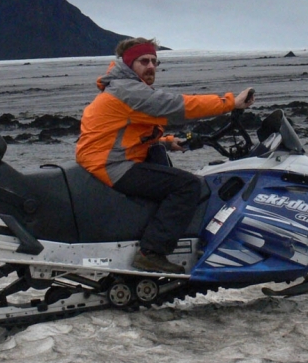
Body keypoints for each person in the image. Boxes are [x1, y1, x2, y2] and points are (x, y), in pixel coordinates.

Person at [76, 37, 255, 274]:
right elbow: (178, 107)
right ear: (129, 64)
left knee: (160, 155)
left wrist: (168, 142)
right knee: (188, 185)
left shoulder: (124, 88)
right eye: (143, 61)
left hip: (106, 157)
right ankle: (152, 252)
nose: (150, 66)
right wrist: (230, 102)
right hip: (110, 164)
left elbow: (124, 133)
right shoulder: (128, 91)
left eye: (154, 61)